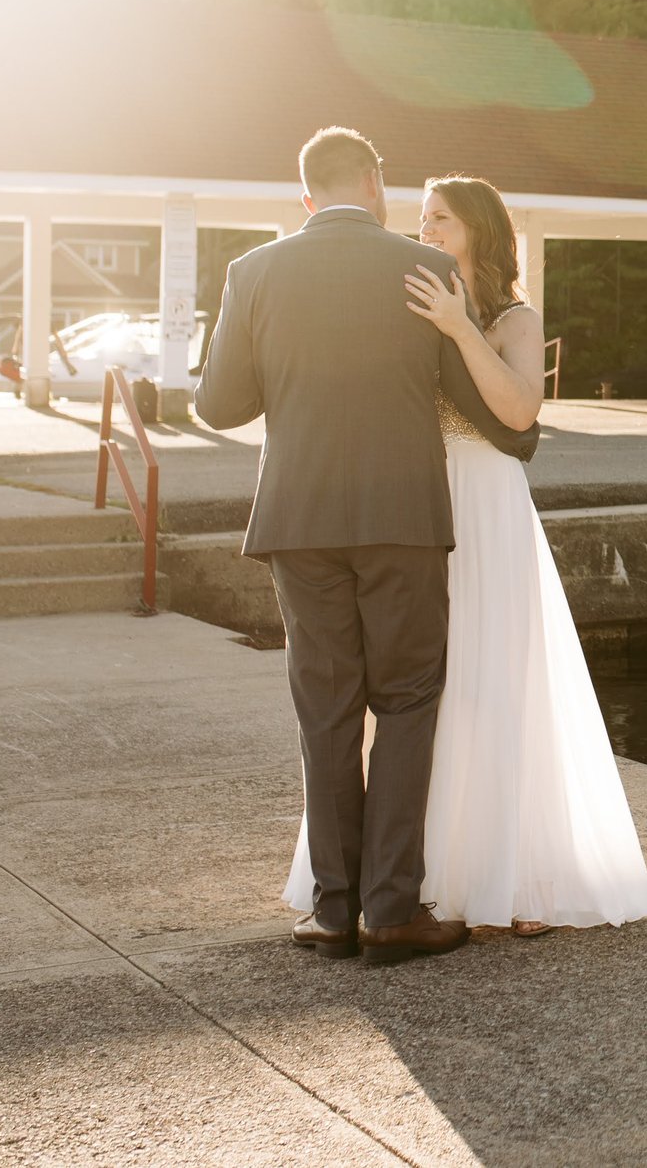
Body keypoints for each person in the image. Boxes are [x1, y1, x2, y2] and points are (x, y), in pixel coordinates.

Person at [283, 175, 647, 937]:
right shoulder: (402, 305)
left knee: (490, 677)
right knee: (413, 692)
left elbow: (519, 409)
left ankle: (504, 875)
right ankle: (398, 880)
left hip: (486, 503)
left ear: (479, 232)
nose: (425, 232)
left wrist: (460, 327)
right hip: (409, 502)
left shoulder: (515, 318)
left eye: (440, 220)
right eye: (420, 219)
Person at [197, 128, 538, 964]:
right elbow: (485, 409)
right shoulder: (421, 271)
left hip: (300, 521)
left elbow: (217, 405)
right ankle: (391, 910)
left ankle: (330, 911)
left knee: (326, 709)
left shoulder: (253, 271)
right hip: (403, 520)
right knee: (408, 700)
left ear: (305, 195)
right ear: (377, 183)